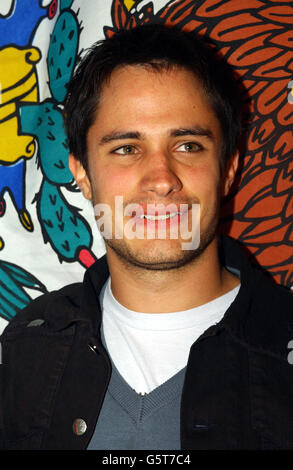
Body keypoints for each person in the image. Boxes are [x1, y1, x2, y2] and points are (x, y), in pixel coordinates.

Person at [1, 23, 293, 451]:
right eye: (126, 148)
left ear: (229, 168)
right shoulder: (25, 348)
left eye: (188, 145)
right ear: (81, 172)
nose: (161, 180)